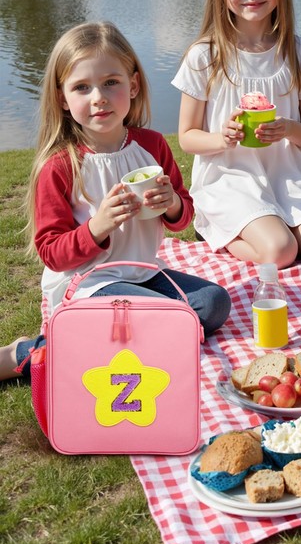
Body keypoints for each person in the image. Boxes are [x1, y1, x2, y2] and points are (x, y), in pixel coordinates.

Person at [0, 21, 231, 381]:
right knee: (167, 318)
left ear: (133, 85)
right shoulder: (61, 165)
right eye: (82, 87)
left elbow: (185, 215)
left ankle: (114, 337)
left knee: (214, 303)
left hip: (144, 272)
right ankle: (27, 352)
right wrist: (98, 226)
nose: (99, 97)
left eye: (111, 82)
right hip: (89, 283)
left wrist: (171, 203)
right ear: (62, 98)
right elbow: (52, 253)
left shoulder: (152, 146)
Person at [171, 0, 301, 269]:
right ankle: (215, 230)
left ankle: (271, 227)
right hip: (230, 179)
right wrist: (221, 138)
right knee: (281, 251)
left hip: (288, 174)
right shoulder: (205, 56)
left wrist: (288, 128)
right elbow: (186, 137)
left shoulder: (299, 54)